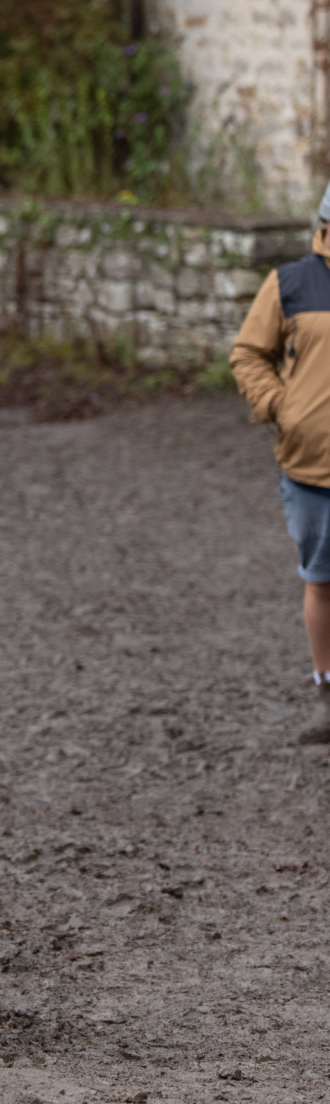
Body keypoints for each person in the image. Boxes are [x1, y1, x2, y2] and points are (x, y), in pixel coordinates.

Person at [230, 182, 330, 744]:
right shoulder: (291, 283)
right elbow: (248, 353)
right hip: (312, 469)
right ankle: (327, 694)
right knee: (322, 582)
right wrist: (279, 407)